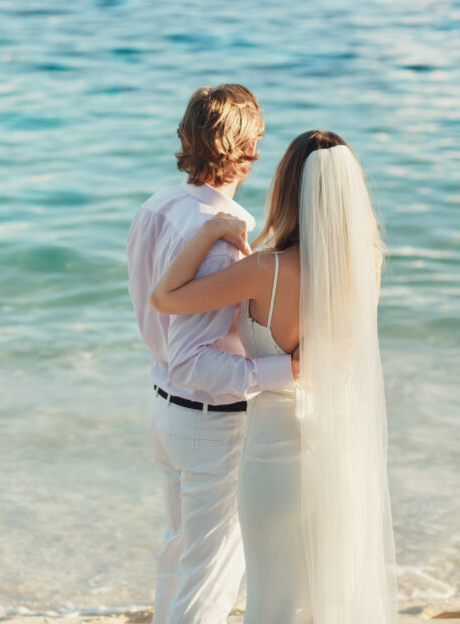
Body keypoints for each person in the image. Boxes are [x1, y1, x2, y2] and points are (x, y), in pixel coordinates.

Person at [150, 130, 397, 623]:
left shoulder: (267, 269)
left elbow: (166, 298)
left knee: (273, 599)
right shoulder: (367, 265)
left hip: (274, 451)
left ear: (287, 189)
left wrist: (210, 232)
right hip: (341, 446)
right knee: (324, 595)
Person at [126, 84, 299, 624]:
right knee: (210, 573)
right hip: (207, 422)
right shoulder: (221, 239)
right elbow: (193, 361)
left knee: (181, 554)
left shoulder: (157, 206)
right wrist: (284, 371)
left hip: (164, 409)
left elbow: (159, 327)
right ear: (248, 150)